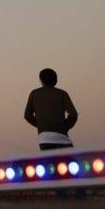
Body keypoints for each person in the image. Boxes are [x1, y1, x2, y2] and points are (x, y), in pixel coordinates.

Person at [24, 67, 84, 200]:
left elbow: (27, 115)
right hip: (61, 136)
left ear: (41, 80)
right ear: (55, 79)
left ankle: (62, 197)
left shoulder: (34, 94)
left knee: (53, 167)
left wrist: (41, 126)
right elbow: (73, 114)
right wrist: (65, 127)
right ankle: (80, 195)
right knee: (71, 164)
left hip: (44, 138)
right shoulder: (62, 94)